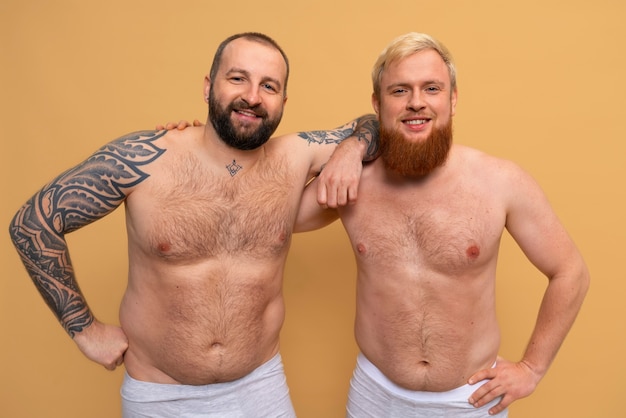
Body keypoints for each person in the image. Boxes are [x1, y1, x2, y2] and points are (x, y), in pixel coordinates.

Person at [8, 32, 378, 417]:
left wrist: (352, 149)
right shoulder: (146, 159)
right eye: (237, 78)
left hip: (261, 389)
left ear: (283, 102)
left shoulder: (295, 158)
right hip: (160, 397)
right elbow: (33, 223)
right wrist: (84, 329)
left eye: (269, 86)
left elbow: (374, 124)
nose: (252, 96)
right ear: (208, 86)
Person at [297, 32, 590, 417]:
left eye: (431, 88)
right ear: (378, 103)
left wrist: (532, 369)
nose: (416, 102)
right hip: (374, 397)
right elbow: (268, 214)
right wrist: (212, 148)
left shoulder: (500, 181)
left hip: (468, 403)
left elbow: (570, 272)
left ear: (452, 99)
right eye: (399, 90)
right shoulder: (353, 182)